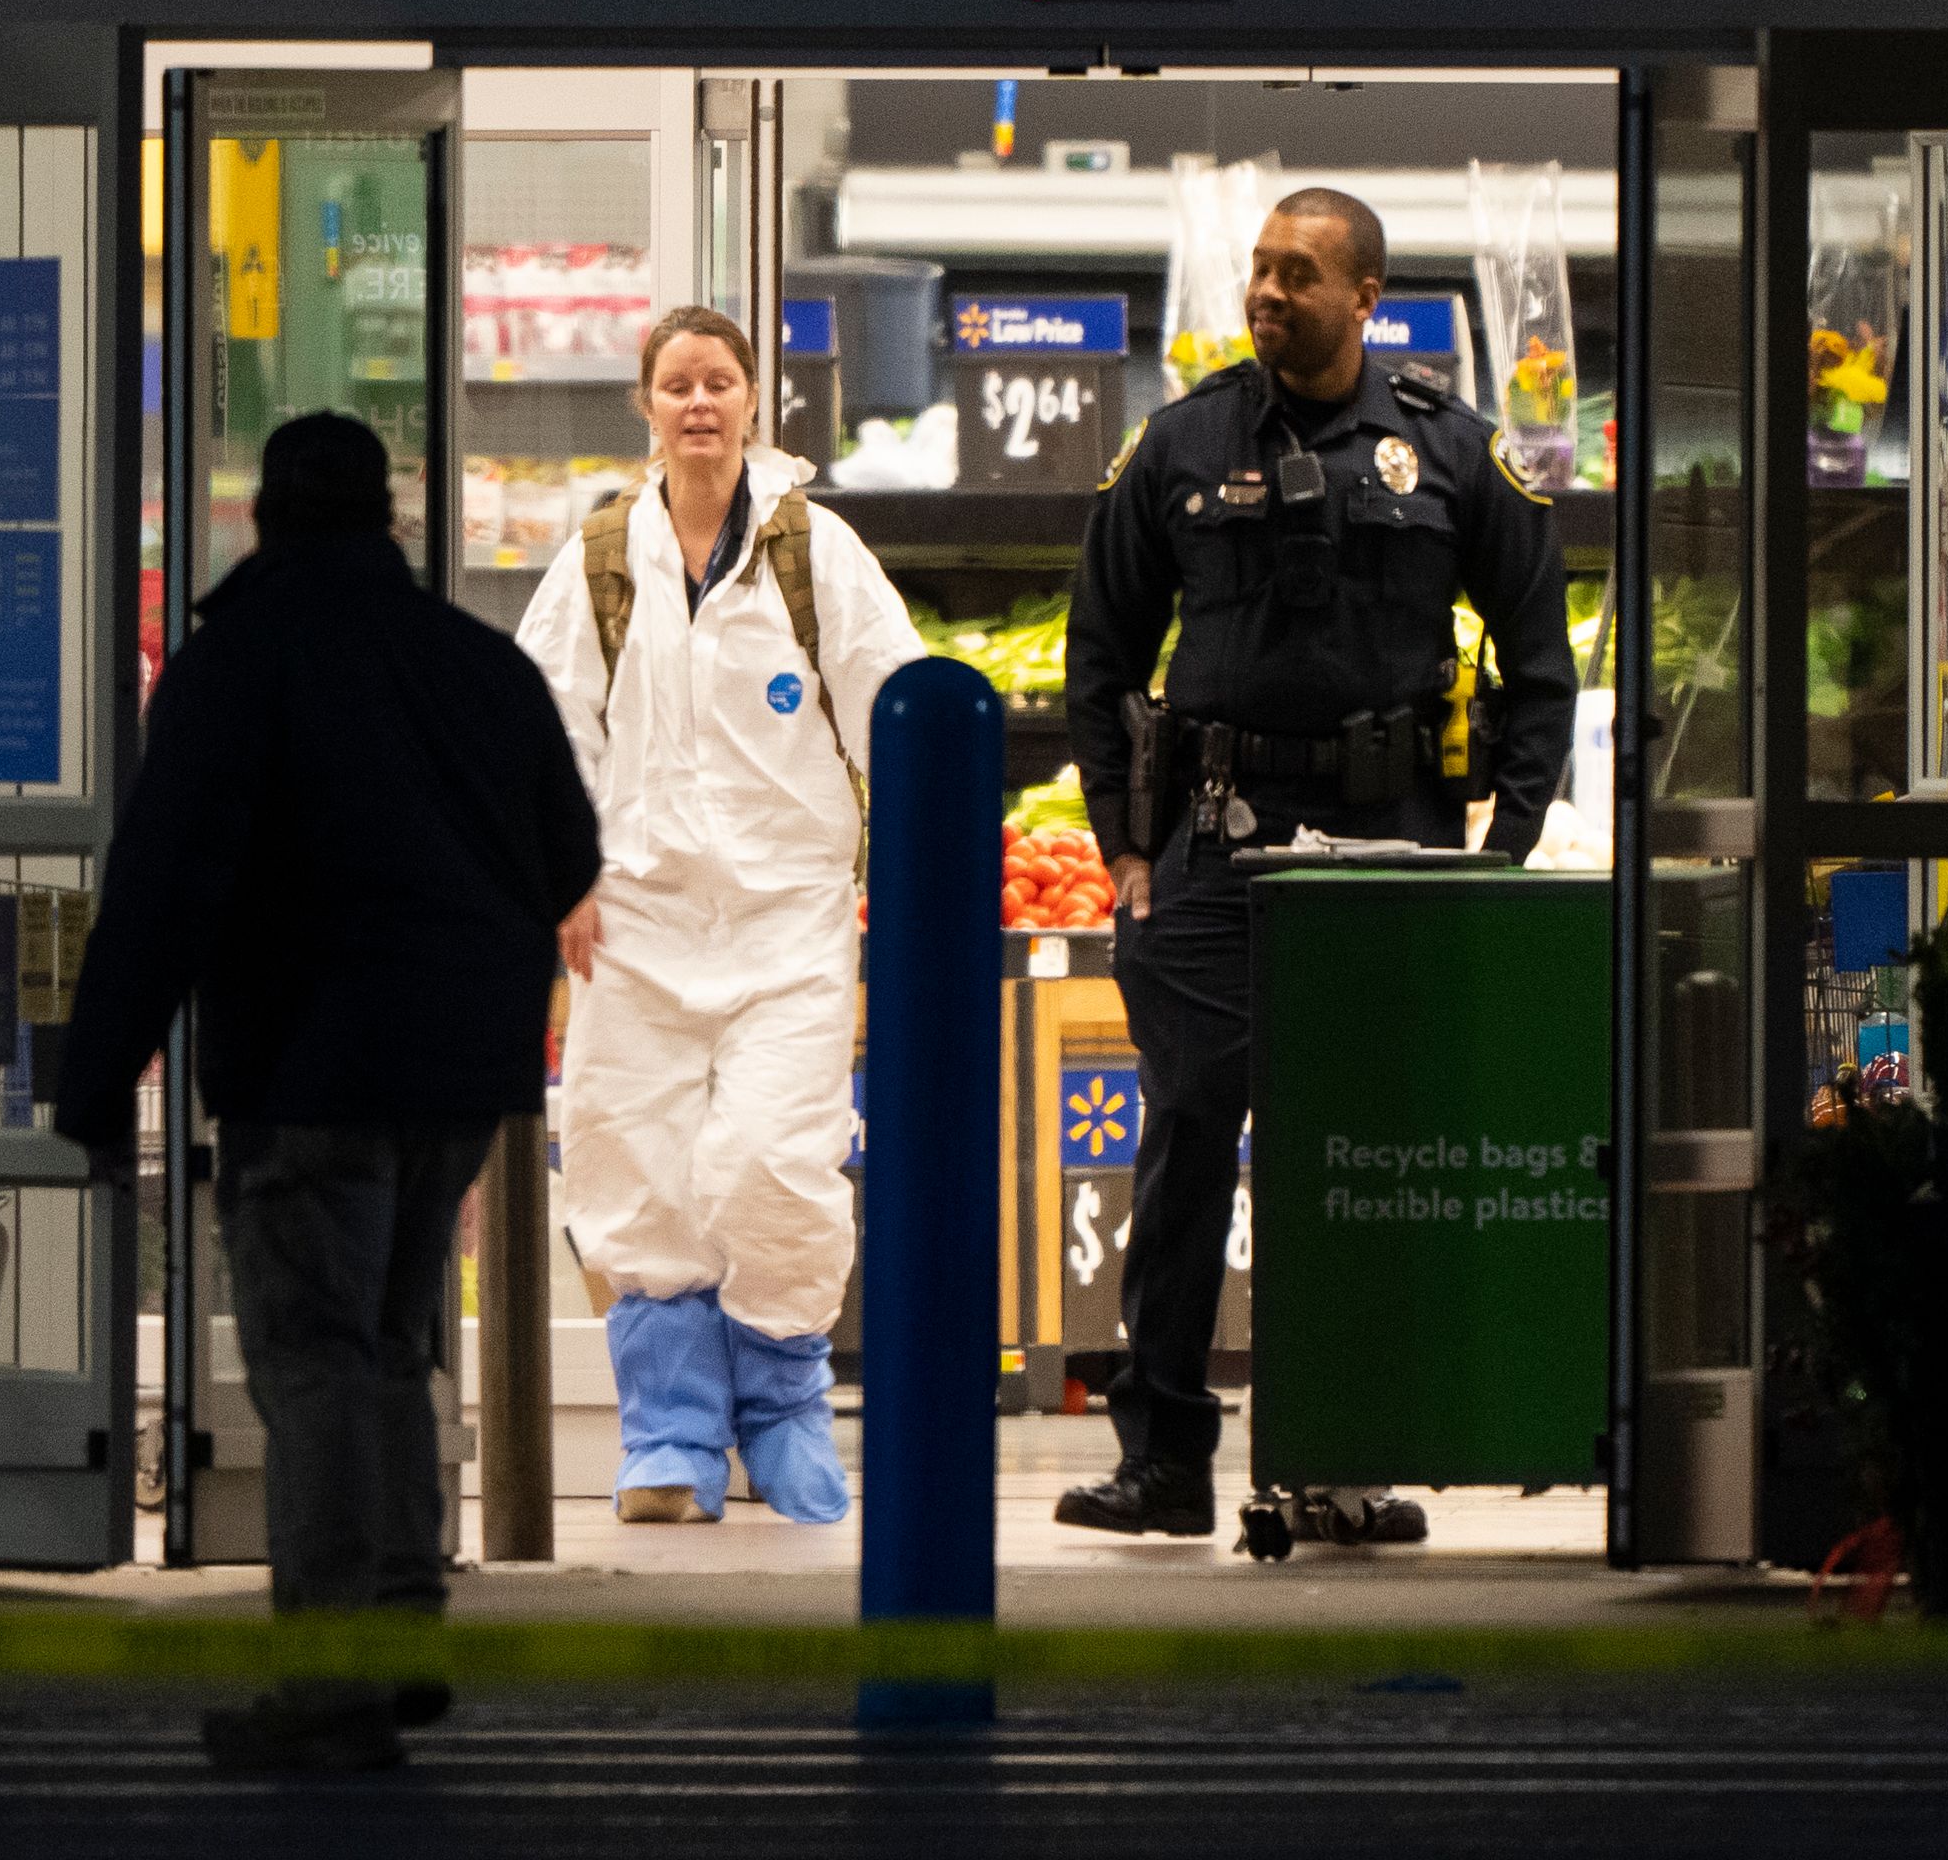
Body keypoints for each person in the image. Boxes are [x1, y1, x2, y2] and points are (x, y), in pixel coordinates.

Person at [53, 411, 601, 1775]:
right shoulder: (477, 666)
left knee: (314, 1365)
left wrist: (92, 1077)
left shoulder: (235, 664)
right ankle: (403, 1629)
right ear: (389, 521)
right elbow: (567, 853)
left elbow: (162, 887)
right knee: (394, 1347)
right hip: (455, 1080)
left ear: (260, 520)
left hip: (307, 1069)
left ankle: (333, 1670)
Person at [1053, 187, 1581, 1539]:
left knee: (1360, 1150)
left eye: (1299, 274)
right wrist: (1124, 853)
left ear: (1366, 299)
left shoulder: (1453, 454)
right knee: (1189, 1136)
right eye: (1260, 271)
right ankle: (1165, 1458)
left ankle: (1347, 1454)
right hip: (1214, 856)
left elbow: (1539, 666)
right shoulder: (1178, 443)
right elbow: (1100, 660)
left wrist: (1502, 854)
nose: (1268, 292)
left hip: (1389, 855)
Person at [516, 304, 922, 1528]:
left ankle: (785, 1409)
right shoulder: (597, 560)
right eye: (678, 383)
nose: (700, 403)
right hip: (631, 930)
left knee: (772, 1168)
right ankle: (672, 1433)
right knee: (634, 1175)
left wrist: (905, 868)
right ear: (645, 406)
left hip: (788, 927)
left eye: (721, 382)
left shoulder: (818, 553)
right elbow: (538, 728)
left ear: (756, 404)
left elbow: (901, 702)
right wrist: (562, 872)